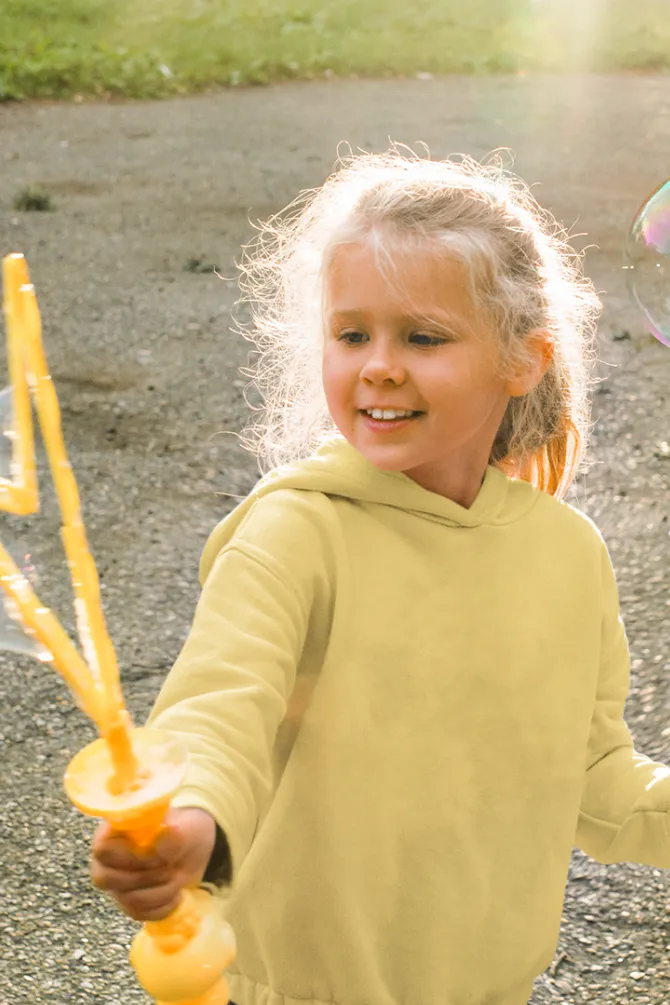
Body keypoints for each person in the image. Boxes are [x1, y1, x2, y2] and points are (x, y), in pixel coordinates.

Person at [90, 145, 670, 1005]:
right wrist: (192, 816)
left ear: (523, 360)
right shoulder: (295, 532)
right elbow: (221, 707)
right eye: (351, 333)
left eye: (423, 336)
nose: (379, 365)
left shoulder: (565, 552)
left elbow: (592, 774)